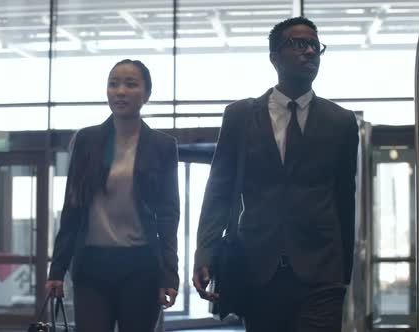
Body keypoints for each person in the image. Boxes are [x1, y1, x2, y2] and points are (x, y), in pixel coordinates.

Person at [192, 16, 359, 332]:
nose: (309, 51)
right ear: (274, 58)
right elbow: (219, 190)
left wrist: (343, 271)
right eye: (297, 43)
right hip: (258, 269)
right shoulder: (240, 116)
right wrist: (206, 250)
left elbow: (343, 199)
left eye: (314, 45)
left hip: (321, 273)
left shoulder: (341, 121)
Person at [46, 59, 180, 332]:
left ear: (147, 94)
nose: (120, 91)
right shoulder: (86, 140)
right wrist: (57, 269)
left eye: (131, 84)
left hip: (141, 265)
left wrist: (169, 274)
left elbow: (168, 214)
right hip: (92, 265)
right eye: (113, 84)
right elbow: (72, 207)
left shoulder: (163, 146)